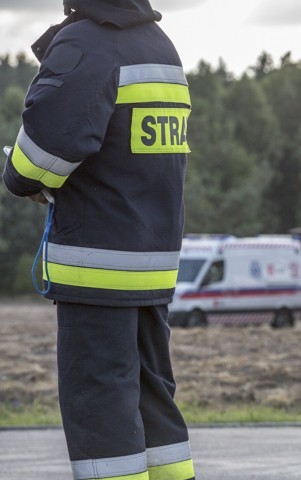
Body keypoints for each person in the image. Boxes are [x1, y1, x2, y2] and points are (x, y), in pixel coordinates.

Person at [2, 1, 195, 479]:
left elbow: (39, 158)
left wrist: (17, 173)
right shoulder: (159, 45)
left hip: (97, 269)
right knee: (154, 405)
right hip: (152, 266)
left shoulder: (88, 41)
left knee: (101, 413)